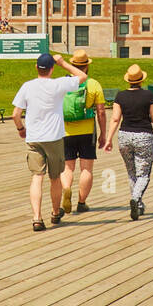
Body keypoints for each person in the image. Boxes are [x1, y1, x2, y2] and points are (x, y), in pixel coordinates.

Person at [11, 51, 88, 232]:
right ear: (52, 69)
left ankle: (37, 218)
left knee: (37, 177)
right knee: (55, 178)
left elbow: (15, 114)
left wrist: (21, 129)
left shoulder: (27, 86)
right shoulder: (58, 84)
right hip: (54, 138)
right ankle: (54, 212)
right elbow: (83, 76)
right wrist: (63, 63)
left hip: (34, 138)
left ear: (36, 67)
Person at [104, 64, 153, 220]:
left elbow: (115, 119)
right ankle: (135, 199)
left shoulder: (120, 96)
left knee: (131, 172)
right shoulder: (149, 96)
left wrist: (109, 139)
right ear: (141, 80)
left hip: (124, 136)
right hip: (144, 136)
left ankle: (139, 205)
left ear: (128, 80)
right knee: (143, 174)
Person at [60, 49, 107, 215]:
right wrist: (103, 133)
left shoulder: (62, 83)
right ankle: (81, 202)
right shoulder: (93, 84)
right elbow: (101, 112)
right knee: (86, 168)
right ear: (86, 66)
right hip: (87, 131)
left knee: (67, 167)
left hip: (65, 132)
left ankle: (66, 188)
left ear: (72, 65)